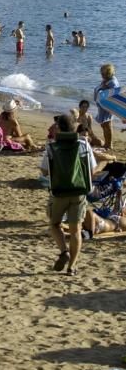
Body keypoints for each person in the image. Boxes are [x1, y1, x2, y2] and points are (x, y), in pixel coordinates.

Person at [45, 114, 96, 276]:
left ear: (58, 127)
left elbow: (45, 170)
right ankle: (72, 267)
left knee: (54, 224)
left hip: (59, 191)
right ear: (75, 127)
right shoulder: (83, 144)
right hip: (79, 191)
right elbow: (92, 169)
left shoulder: (52, 146)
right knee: (76, 230)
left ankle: (63, 252)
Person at [94, 63, 120, 149]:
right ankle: (107, 143)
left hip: (109, 106)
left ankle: (109, 144)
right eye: (101, 73)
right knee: (103, 124)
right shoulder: (106, 79)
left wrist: (105, 88)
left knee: (107, 124)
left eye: (103, 73)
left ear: (109, 73)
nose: (101, 75)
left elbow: (115, 94)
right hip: (103, 105)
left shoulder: (113, 82)